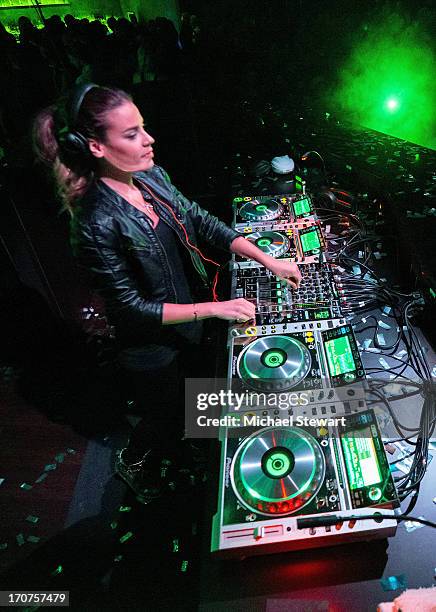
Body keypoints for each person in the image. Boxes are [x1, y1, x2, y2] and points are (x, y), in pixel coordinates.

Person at [33, 83, 301, 502]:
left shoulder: (151, 176)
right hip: (150, 347)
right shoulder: (94, 223)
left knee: (197, 399)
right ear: (96, 148)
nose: (149, 139)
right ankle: (133, 461)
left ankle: (195, 448)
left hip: (194, 318)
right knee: (163, 412)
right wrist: (214, 308)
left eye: (144, 127)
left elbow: (199, 219)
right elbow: (132, 309)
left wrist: (266, 258)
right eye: (132, 133)